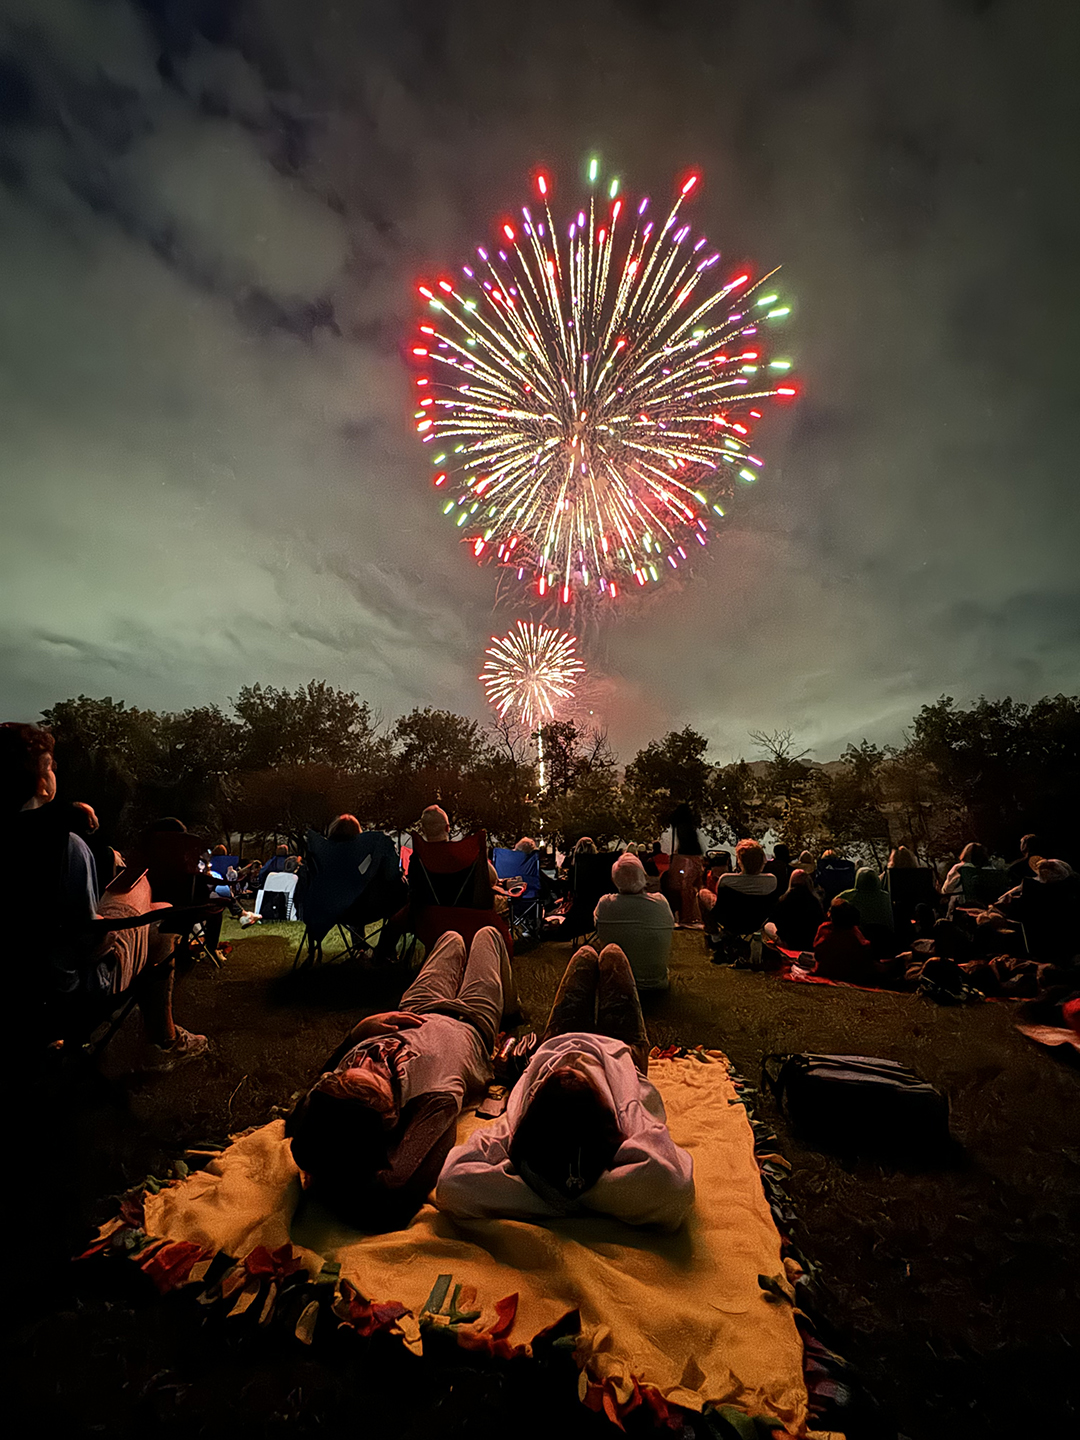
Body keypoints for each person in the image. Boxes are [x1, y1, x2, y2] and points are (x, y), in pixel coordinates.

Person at [436, 943, 694, 1230]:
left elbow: (452, 1183)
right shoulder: (629, 1120)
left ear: (534, 1110)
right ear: (608, 1122)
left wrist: (549, 1194)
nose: (571, 1071)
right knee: (610, 954)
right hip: (621, 1049)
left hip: (558, 1040)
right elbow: (676, 1189)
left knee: (586, 954)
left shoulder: (519, 1134)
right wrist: (588, 1191)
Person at [2, 722, 207, 1065]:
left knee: (153, 919)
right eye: (51, 768)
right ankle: (165, 1044)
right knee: (153, 904)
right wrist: (108, 926)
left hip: (21, 998)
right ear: (41, 782)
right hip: (69, 993)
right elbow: (88, 944)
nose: (55, 775)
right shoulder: (64, 847)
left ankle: (164, 1039)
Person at [287, 926, 517, 1231]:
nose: (371, 1062)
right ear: (391, 1113)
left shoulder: (331, 1097)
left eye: (350, 1073)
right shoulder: (434, 1096)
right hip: (472, 1019)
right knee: (488, 934)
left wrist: (357, 1033)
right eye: (377, 1076)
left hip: (418, 1005)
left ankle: (507, 1003)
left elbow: (304, 1116)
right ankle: (510, 1011)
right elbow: (394, 1192)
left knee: (451, 938)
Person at [594, 852, 675, 990]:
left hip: (617, 985)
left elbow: (597, 928)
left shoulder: (605, 904)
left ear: (614, 880)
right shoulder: (661, 902)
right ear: (643, 876)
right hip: (656, 983)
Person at [812, 898, 875, 983]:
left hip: (825, 970)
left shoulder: (824, 929)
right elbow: (865, 951)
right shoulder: (854, 933)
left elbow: (817, 953)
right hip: (849, 974)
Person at [768, 868, 825, 952]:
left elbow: (776, 920)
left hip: (789, 943)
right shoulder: (816, 901)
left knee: (768, 925)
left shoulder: (784, 900)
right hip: (810, 943)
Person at [667, 803, 705, 927]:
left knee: (686, 888)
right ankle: (695, 915)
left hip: (687, 858)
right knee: (695, 887)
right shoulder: (689, 827)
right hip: (694, 857)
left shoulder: (682, 827)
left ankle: (688, 916)